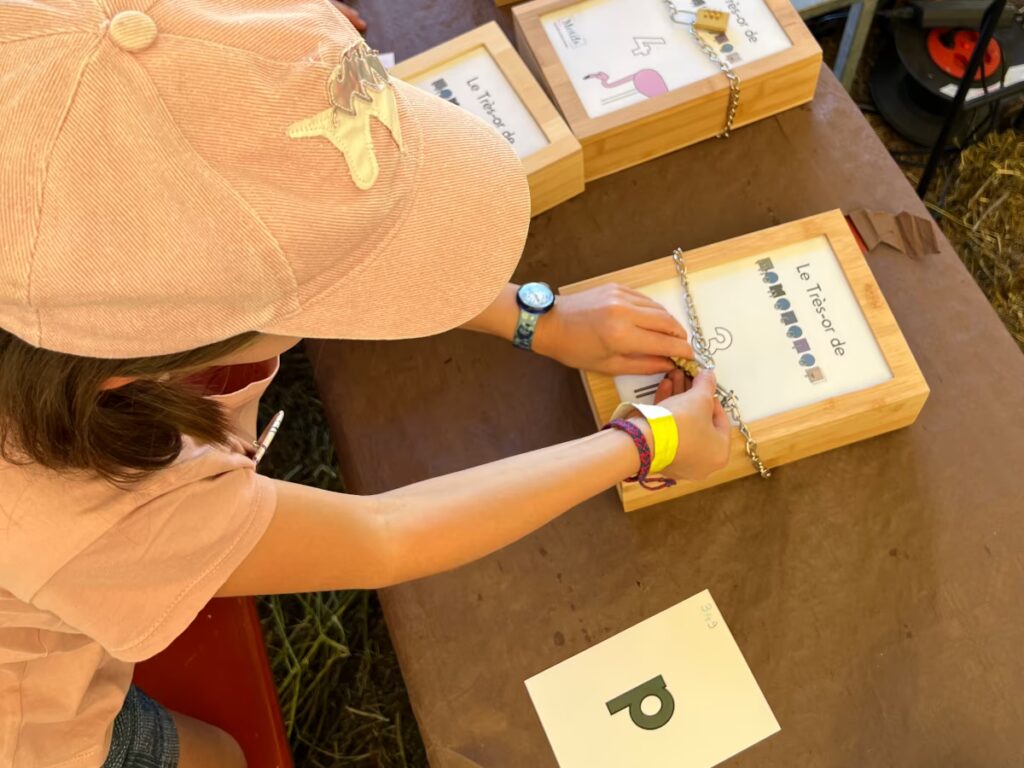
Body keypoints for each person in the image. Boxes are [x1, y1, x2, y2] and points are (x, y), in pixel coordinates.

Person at [0, 0, 732, 766]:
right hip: (28, 717)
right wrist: (641, 443)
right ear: (137, 360)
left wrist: (534, 317)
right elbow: (386, 534)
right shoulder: (89, 509)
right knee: (218, 757)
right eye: (331, 292)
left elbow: (306, 230)